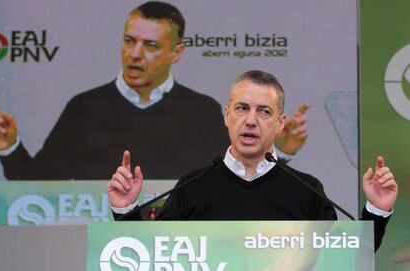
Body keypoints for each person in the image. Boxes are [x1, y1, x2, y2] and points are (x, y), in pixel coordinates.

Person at [0, 1, 307, 180]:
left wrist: (279, 152)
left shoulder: (199, 110)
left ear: (177, 52)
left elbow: (235, 179)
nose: (135, 54)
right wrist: (10, 147)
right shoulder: (85, 107)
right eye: (130, 41)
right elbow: (40, 189)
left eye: (151, 45)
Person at [108, 70, 398, 251]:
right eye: (242, 108)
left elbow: (344, 256)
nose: (250, 121)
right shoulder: (192, 187)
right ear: (226, 115)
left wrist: (376, 209)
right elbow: (149, 257)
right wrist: (125, 210)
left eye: (264, 111)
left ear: (280, 123)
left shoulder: (307, 189)